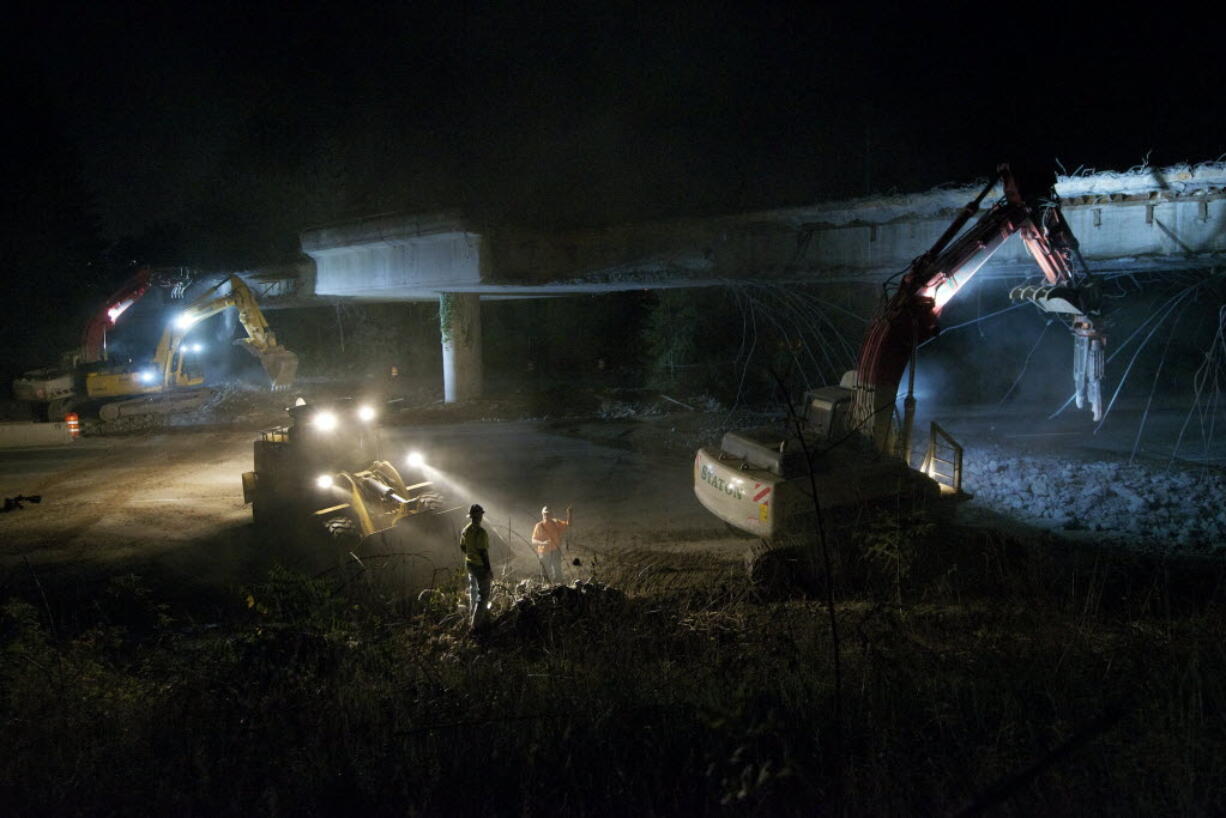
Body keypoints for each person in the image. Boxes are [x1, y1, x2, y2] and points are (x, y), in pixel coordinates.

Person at [459, 503, 492, 632]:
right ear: (479, 516)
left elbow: (462, 546)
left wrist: (470, 555)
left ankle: (472, 615)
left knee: (473, 590)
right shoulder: (481, 532)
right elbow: (484, 552)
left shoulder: (465, 530)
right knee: (483, 595)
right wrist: (488, 570)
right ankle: (476, 625)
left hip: (469, 564)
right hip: (479, 566)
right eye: (481, 514)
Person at [531, 505, 572, 584]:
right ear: (542, 514)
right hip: (543, 552)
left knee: (557, 570)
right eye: (545, 514)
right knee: (545, 573)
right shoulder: (539, 526)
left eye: (548, 514)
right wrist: (542, 543)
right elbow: (533, 540)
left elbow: (568, 525)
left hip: (555, 550)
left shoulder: (556, 523)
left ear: (552, 514)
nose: (546, 515)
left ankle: (558, 587)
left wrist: (569, 513)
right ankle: (547, 587)